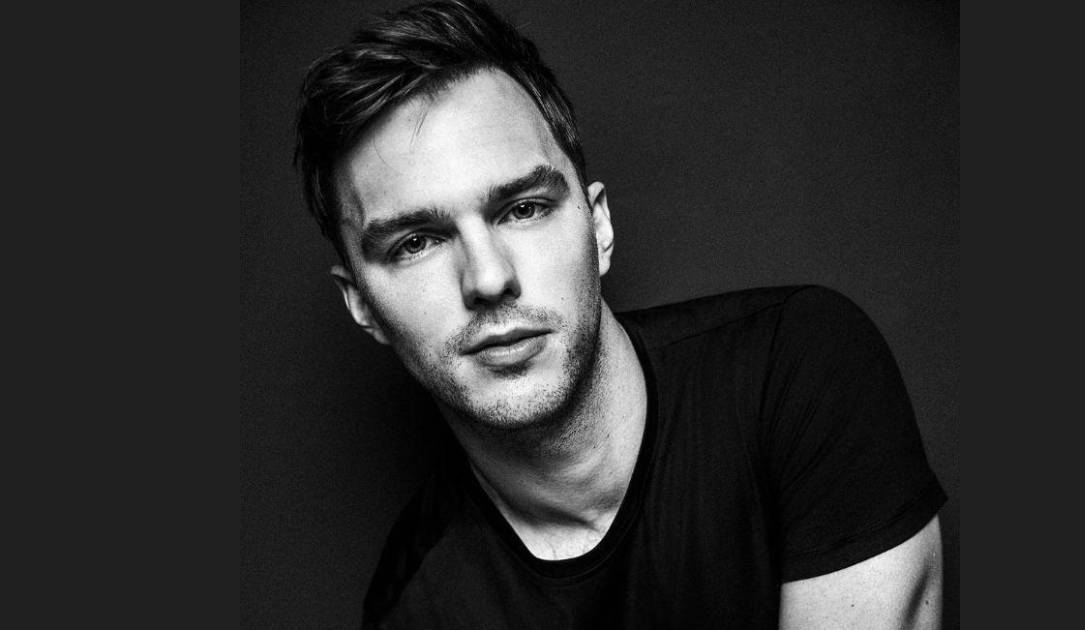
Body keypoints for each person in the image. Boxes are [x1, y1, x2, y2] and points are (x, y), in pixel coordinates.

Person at [294, 0, 946, 627]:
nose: (489, 278)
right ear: (362, 304)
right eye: (416, 243)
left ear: (598, 226)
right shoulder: (418, 606)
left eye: (523, 208)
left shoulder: (798, 369)